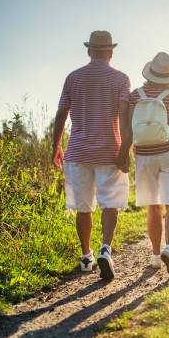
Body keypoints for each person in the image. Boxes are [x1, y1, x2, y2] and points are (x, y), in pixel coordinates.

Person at [52, 30, 131, 281]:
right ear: (110, 52)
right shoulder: (121, 79)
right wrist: (125, 149)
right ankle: (105, 249)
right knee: (111, 204)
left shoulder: (73, 78)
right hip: (110, 151)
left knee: (83, 207)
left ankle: (86, 256)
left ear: (89, 51)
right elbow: (124, 115)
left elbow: (61, 114)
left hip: (77, 151)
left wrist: (55, 146)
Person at [117, 52, 169, 277]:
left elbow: (126, 130)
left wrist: (123, 153)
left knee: (153, 207)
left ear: (150, 73)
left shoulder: (136, 96)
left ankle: (155, 256)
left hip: (145, 155)